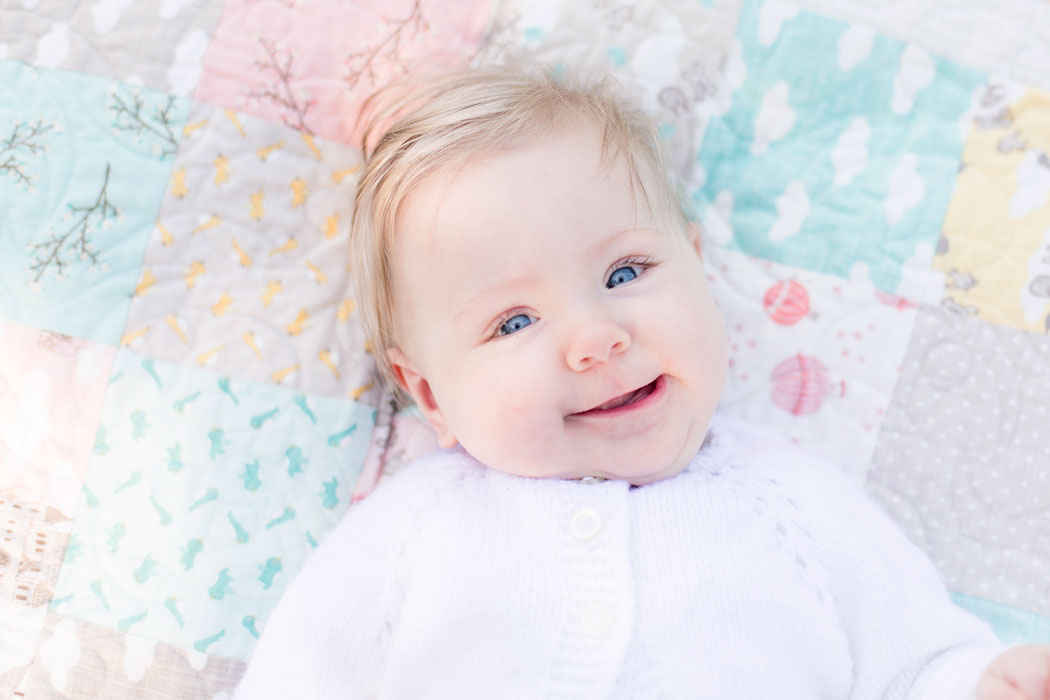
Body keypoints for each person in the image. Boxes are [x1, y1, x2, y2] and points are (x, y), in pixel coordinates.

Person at [232, 66, 1050, 699]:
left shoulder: (793, 506)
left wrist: (984, 683)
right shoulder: (416, 532)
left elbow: (915, 666)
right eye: (514, 323)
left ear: (696, 265)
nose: (596, 337)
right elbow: (298, 678)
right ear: (435, 398)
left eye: (626, 270)